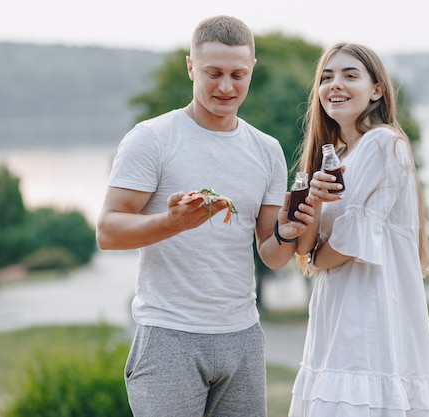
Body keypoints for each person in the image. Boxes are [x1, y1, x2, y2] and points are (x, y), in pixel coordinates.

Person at [96, 15, 312, 417]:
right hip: (168, 336)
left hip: (243, 336)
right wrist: (170, 223)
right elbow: (108, 232)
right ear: (191, 67)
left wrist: (290, 230)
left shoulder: (266, 150)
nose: (226, 86)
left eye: (238, 74)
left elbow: (272, 254)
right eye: (213, 73)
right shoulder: (153, 139)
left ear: (252, 71)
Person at [288, 43, 429, 417]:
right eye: (326, 78)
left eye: (349, 75)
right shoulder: (339, 155)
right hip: (337, 312)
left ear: (376, 90)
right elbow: (305, 249)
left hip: (369, 314)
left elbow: (341, 248)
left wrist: (318, 254)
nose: (335, 85)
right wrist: (312, 197)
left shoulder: (383, 142)